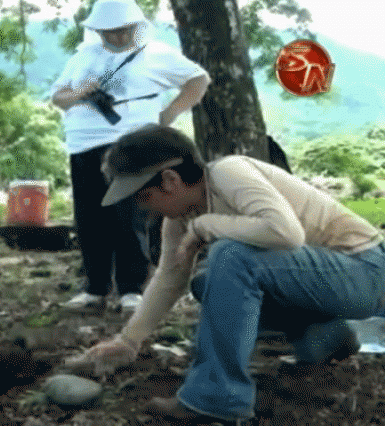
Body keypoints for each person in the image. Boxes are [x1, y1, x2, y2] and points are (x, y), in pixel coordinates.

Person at [80, 124, 385, 423]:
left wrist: (204, 226)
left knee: (230, 256)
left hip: (364, 270)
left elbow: (285, 232)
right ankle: (327, 337)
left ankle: (217, 397)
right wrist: (129, 340)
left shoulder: (228, 172)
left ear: (170, 180)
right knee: (205, 281)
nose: (144, 208)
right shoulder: (180, 217)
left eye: (143, 197)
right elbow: (169, 279)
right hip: (322, 286)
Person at [51, 0, 210, 313]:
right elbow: (58, 97)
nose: (119, 37)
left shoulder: (156, 54)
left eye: (125, 30)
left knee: (128, 215)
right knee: (89, 217)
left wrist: (170, 114)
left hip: (130, 146)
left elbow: (198, 79)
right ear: (97, 30)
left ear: (137, 26)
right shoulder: (83, 57)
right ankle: (95, 288)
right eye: (111, 31)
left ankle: (131, 288)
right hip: (83, 144)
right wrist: (80, 92)